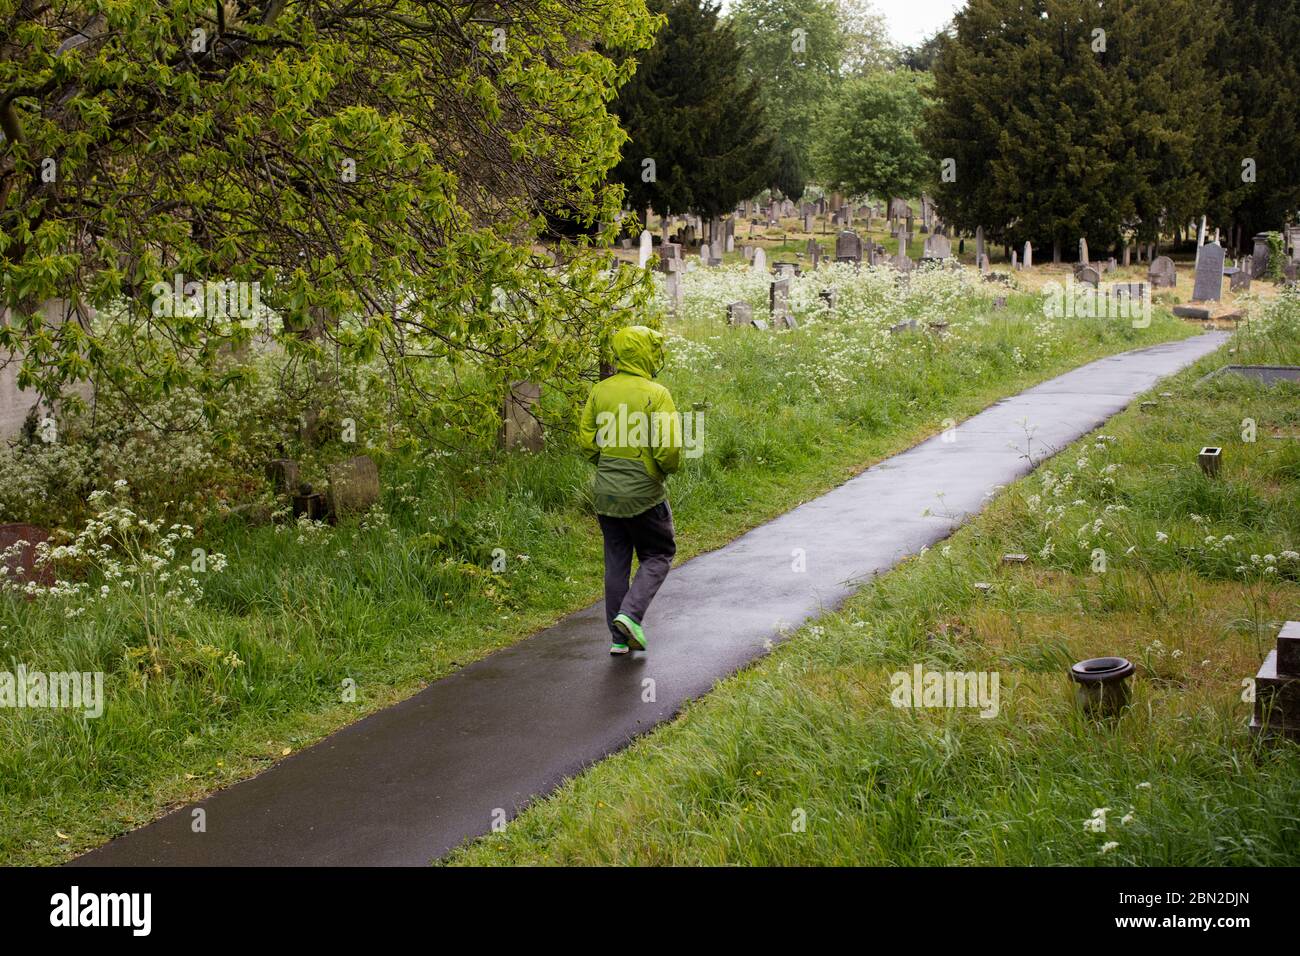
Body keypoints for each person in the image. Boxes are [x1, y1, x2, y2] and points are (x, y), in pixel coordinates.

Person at [578, 325, 681, 655]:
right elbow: (669, 449)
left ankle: (619, 639)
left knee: (616, 564)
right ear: (648, 352)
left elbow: (586, 442)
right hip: (644, 493)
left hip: (606, 492)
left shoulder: (600, 391)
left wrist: (608, 465)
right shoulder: (657, 394)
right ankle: (630, 615)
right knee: (658, 554)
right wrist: (660, 471)